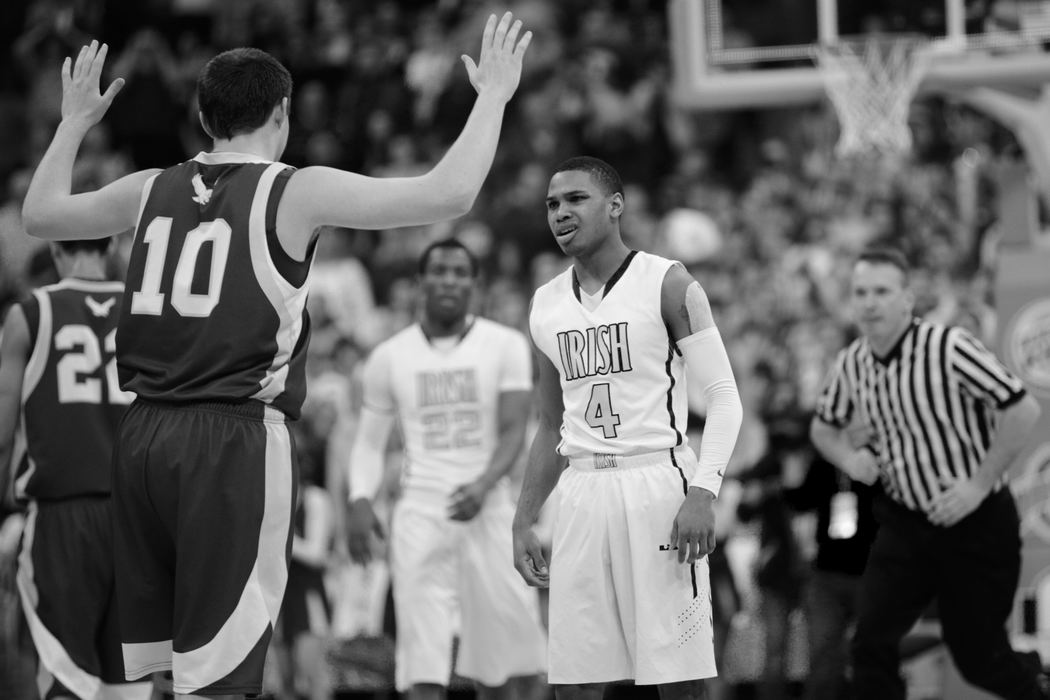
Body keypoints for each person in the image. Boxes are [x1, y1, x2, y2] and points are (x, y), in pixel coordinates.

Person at [20, 14, 532, 699]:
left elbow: (41, 214)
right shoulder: (295, 189)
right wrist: (493, 96)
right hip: (230, 442)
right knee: (223, 678)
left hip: (140, 439)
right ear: (283, 113)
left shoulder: (148, 189)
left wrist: (76, 120)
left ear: (203, 115)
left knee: (159, 674)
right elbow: (449, 192)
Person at [512, 156, 744, 700]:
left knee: (678, 680)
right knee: (576, 683)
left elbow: (725, 398)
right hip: (582, 495)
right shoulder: (545, 304)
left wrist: (703, 491)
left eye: (575, 199)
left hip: (657, 485)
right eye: (551, 204)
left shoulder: (667, 282)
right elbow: (551, 424)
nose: (560, 212)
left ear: (616, 206)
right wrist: (524, 517)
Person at [809, 246, 1046, 700]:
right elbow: (822, 427)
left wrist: (977, 486)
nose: (870, 302)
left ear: (907, 299)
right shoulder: (852, 363)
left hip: (977, 522)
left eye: (882, 291)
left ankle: (1032, 684)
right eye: (861, 292)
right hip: (906, 522)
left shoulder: (948, 347)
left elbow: (1022, 408)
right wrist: (849, 459)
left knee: (979, 659)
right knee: (869, 643)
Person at [346, 238, 546, 700]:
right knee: (423, 656)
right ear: (419, 283)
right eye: (439, 271)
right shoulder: (388, 356)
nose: (449, 280)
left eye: (460, 272)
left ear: (475, 285)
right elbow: (368, 444)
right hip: (420, 507)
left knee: (513, 661)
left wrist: (482, 483)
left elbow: (516, 430)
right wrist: (359, 498)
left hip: (491, 504)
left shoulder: (506, 344)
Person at [0, 238, 150, 700]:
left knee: (64, 680)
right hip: (141, 521)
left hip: (64, 515)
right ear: (112, 245)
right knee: (129, 686)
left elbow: (2, 429)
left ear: (55, 247)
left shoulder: (31, 313)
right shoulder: (148, 310)